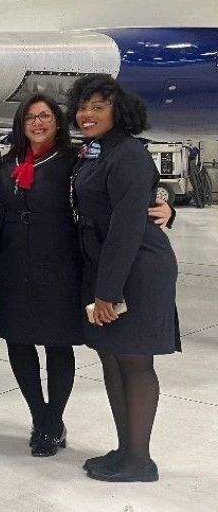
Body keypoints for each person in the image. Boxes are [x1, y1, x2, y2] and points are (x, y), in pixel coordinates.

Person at [69, 75, 180, 483]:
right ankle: (126, 449)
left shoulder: (128, 153)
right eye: (83, 106)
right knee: (112, 359)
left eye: (98, 106)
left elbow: (127, 227)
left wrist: (108, 293)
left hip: (136, 270)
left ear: (118, 110)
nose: (87, 114)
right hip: (110, 265)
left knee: (134, 361)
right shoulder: (98, 152)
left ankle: (139, 461)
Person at [0, 95, 83, 457]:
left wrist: (161, 205)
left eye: (45, 116)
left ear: (58, 122)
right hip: (13, 261)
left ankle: (53, 419)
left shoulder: (73, 160)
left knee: (57, 343)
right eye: (30, 117)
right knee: (19, 341)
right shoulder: (8, 161)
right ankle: (39, 416)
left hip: (58, 262)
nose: (38, 122)